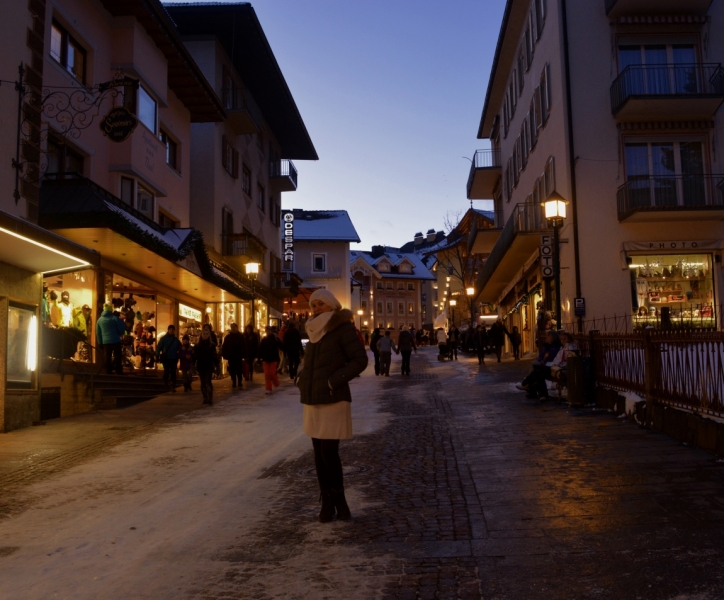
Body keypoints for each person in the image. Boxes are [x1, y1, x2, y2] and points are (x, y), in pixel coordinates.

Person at [297, 289, 367, 523]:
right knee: (318, 453)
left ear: (331, 305)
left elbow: (360, 360)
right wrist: (301, 376)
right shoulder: (312, 328)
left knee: (329, 451)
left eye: (320, 304)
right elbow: (310, 362)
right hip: (312, 397)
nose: (316, 309)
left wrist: (333, 381)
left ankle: (340, 501)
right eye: (313, 305)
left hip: (332, 397)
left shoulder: (342, 327)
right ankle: (327, 503)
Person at [526, 330, 576, 400]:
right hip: (553, 366)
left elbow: (562, 360)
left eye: (565, 339)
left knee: (539, 370)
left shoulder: (567, 348)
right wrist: (542, 360)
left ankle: (528, 385)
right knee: (538, 370)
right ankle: (537, 392)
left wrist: (550, 363)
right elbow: (542, 356)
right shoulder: (559, 348)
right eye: (562, 339)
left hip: (558, 368)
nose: (563, 341)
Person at [96, 303, 126, 375]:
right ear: (111, 310)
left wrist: (100, 342)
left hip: (106, 342)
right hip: (116, 340)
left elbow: (98, 333)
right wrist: (119, 333)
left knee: (107, 357)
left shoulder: (99, 320)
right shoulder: (115, 318)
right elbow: (122, 328)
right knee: (118, 356)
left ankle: (108, 371)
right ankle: (118, 371)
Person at [194, 328, 218, 404]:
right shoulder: (197, 346)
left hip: (209, 365)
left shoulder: (211, 345)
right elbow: (195, 356)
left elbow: (214, 356)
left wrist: (217, 365)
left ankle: (209, 398)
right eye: (204, 334)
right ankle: (205, 397)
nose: (205, 335)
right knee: (203, 382)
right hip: (201, 365)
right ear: (201, 335)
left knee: (208, 381)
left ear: (209, 335)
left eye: (207, 334)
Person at [221, 323, 247, 389]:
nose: (233, 328)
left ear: (237, 327)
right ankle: (234, 381)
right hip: (231, 356)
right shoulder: (228, 337)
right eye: (232, 327)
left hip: (238, 356)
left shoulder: (241, 336)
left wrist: (244, 354)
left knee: (239, 369)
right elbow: (225, 346)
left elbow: (244, 346)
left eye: (234, 327)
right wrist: (225, 354)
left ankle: (239, 381)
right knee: (232, 369)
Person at [156, 325, 181, 392]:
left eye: (172, 329)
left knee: (173, 372)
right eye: (170, 329)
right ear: (168, 330)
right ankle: (166, 383)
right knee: (166, 371)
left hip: (174, 358)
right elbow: (159, 347)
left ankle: (173, 385)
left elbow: (180, 348)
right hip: (166, 358)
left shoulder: (176, 340)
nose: (171, 330)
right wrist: (157, 355)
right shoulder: (164, 339)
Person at [259, 326, 283, 395]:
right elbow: (261, 349)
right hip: (265, 359)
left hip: (273, 358)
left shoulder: (275, 339)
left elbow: (281, 345)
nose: (267, 332)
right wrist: (259, 357)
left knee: (272, 373)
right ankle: (268, 388)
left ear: (270, 331)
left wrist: (285, 350)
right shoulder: (264, 340)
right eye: (266, 330)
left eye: (268, 330)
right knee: (267, 374)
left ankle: (276, 384)